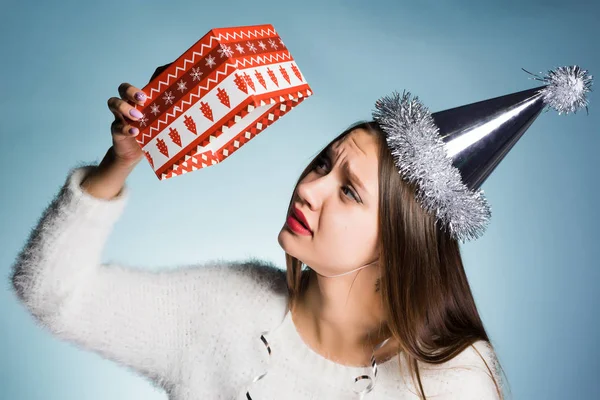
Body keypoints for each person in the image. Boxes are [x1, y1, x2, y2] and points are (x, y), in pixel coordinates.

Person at [12, 63, 591, 399]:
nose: (309, 189)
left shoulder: (453, 382)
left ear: (398, 244)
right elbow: (55, 296)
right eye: (322, 164)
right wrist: (121, 163)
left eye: (348, 191)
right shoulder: (224, 309)